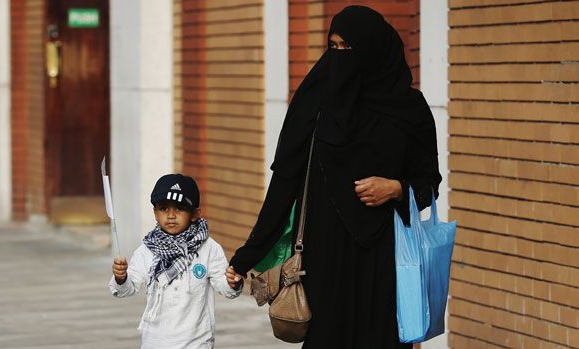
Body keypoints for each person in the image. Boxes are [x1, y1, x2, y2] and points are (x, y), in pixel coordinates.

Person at [226, 5, 441, 348]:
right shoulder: (316, 103)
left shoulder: (410, 109)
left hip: (386, 256)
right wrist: (245, 257)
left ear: (373, 50)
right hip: (324, 257)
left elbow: (430, 182)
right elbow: (285, 184)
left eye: (348, 48)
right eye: (334, 47)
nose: (340, 57)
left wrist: (397, 188)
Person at [110, 173, 242, 349]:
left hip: (197, 342)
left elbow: (224, 287)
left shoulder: (209, 248)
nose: (171, 215)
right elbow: (127, 289)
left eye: (179, 208)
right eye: (163, 208)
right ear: (155, 213)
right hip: (155, 342)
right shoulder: (147, 250)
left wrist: (232, 283)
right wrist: (121, 278)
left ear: (195, 214)